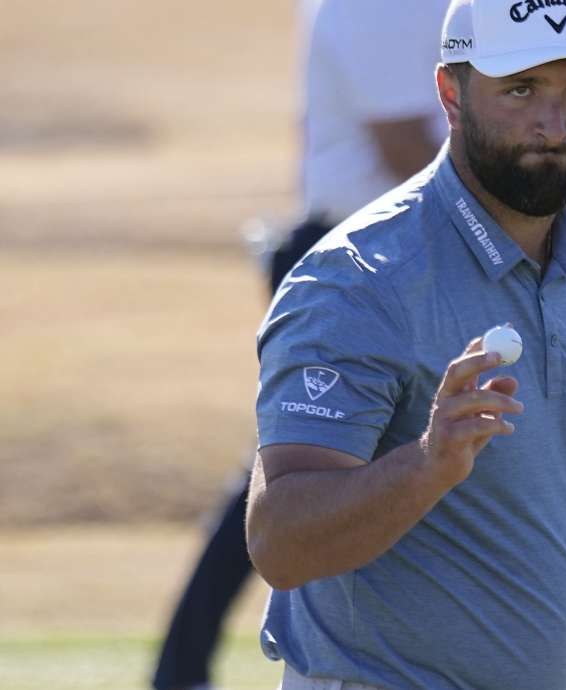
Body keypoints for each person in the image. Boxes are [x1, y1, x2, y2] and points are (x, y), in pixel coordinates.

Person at [245, 0, 566, 688]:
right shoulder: (358, 279)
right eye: (521, 88)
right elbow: (280, 541)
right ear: (451, 93)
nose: (555, 123)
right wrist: (424, 468)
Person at [152, 3, 450, 689]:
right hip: (354, 263)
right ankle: (186, 669)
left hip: (406, 253)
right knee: (302, 476)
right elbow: (403, 145)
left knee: (322, 469)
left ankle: (180, 668)